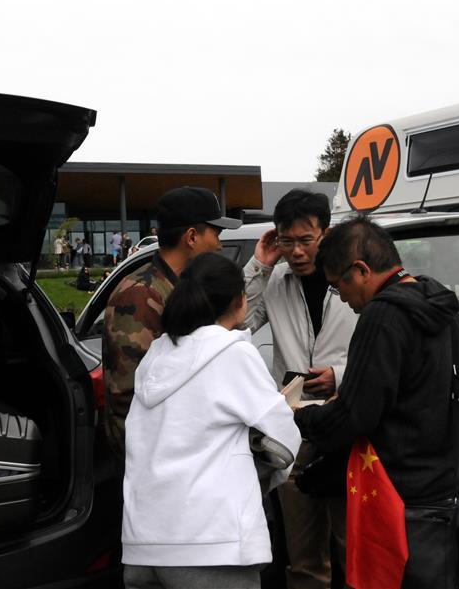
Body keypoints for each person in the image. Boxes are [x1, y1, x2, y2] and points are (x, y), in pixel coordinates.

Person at [295, 216, 459, 589]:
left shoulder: (383, 314)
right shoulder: (440, 304)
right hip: (441, 493)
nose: (340, 297)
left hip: (395, 499)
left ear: (361, 270)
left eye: (338, 285)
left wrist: (301, 417)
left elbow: (355, 415)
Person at [122, 253, 301, 589]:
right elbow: (282, 442)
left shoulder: (156, 355)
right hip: (211, 545)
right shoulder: (232, 352)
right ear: (239, 300)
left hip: (143, 546)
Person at [243, 189, 357, 589]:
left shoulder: (352, 278)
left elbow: (382, 347)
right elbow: (238, 324)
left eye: (305, 240)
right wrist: (259, 264)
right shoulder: (275, 277)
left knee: (353, 547)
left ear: (325, 234)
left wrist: (339, 376)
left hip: (346, 424)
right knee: (303, 555)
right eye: (286, 241)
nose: (295, 251)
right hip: (293, 428)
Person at [102, 186, 241, 461]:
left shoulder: (178, 288)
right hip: (152, 457)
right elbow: (128, 395)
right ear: (191, 237)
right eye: (216, 233)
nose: (220, 245)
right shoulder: (140, 296)